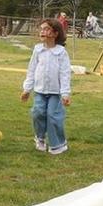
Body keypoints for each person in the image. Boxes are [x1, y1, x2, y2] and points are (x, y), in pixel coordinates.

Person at [22, 16, 74, 154]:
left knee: (53, 115)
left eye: (46, 29)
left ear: (55, 33)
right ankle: (40, 138)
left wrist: (65, 93)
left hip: (56, 93)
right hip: (39, 91)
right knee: (38, 113)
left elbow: (65, 73)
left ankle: (58, 144)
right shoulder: (38, 50)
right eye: (41, 29)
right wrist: (27, 89)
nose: (42, 32)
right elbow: (32, 69)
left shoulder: (61, 53)